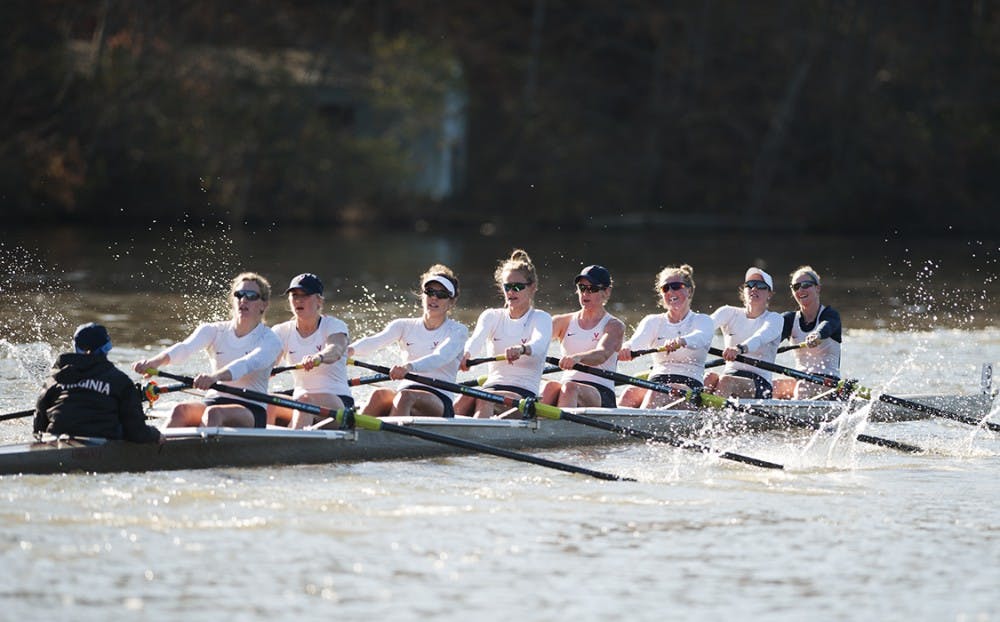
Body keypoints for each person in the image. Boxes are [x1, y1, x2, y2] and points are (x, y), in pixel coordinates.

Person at [132, 272, 282, 428]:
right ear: (233, 300)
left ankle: (202, 451)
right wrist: (154, 362)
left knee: (213, 414)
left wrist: (214, 377)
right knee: (180, 410)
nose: (243, 299)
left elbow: (247, 364)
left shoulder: (270, 340)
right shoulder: (214, 330)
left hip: (251, 407)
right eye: (239, 294)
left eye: (251, 295)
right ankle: (157, 448)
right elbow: (185, 348)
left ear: (264, 304)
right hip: (214, 400)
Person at [348, 265, 468, 418]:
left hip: (439, 398)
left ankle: (388, 440)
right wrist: (347, 351)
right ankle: (353, 437)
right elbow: (375, 341)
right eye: (430, 292)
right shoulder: (403, 325)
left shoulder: (458, 331)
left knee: (405, 397)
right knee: (378, 395)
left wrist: (408, 367)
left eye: (442, 294)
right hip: (406, 390)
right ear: (422, 295)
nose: (434, 298)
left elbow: (440, 357)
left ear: (452, 302)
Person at [455, 249, 552, 418]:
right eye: (507, 287)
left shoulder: (541, 318)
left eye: (517, 287)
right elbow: (475, 341)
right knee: (463, 398)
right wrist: (466, 355)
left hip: (523, 395)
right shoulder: (491, 316)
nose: (511, 292)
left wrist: (522, 349)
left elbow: (539, 344)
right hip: (491, 387)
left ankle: (478, 436)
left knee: (486, 399)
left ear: (532, 288)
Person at [34, 323, 162, 443]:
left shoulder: (55, 379)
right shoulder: (119, 381)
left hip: (56, 441)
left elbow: (38, 428)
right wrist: (156, 434)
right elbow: (137, 433)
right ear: (107, 348)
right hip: (102, 443)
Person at [618, 264, 714, 408]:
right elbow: (636, 343)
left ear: (689, 290)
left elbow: (700, 338)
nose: (670, 291)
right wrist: (626, 348)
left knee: (656, 393)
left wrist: (682, 341)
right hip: (656, 381)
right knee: (629, 393)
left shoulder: (702, 320)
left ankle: (633, 426)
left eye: (676, 286)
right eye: (665, 288)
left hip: (689, 385)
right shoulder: (653, 321)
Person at [268, 273, 354, 428]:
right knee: (266, 402)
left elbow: (336, 349)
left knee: (305, 400)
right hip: (301, 401)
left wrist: (318, 357)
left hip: (338, 402)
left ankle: (291, 444)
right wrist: (266, 368)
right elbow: (268, 359)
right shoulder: (281, 331)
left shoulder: (334, 325)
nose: (299, 300)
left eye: (305, 295)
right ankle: (263, 446)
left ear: (319, 301)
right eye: (294, 296)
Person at [540, 265, 625, 408]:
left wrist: (577, 358)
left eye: (592, 289)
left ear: (606, 292)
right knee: (549, 387)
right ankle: (535, 428)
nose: (585, 293)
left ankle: (560, 429)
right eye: (582, 288)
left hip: (601, 393)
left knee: (570, 388)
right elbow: (536, 342)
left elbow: (601, 354)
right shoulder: (562, 322)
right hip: (568, 388)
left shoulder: (614, 326)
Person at [704, 267, 783, 399]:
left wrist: (739, 349)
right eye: (750, 285)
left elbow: (760, 337)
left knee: (725, 381)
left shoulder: (775, 319)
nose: (754, 289)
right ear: (744, 290)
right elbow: (703, 328)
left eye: (761, 286)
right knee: (709, 378)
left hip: (760, 383)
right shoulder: (728, 312)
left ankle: (711, 418)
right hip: (731, 374)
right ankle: (695, 416)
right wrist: (682, 340)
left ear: (769, 294)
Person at [772, 266, 843, 399]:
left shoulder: (830, 315)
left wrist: (817, 335)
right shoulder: (789, 319)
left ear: (818, 288)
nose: (800, 290)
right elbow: (772, 338)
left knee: (803, 387)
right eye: (796, 286)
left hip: (829, 383)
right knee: (771, 386)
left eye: (805, 285)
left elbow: (826, 327)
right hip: (801, 378)